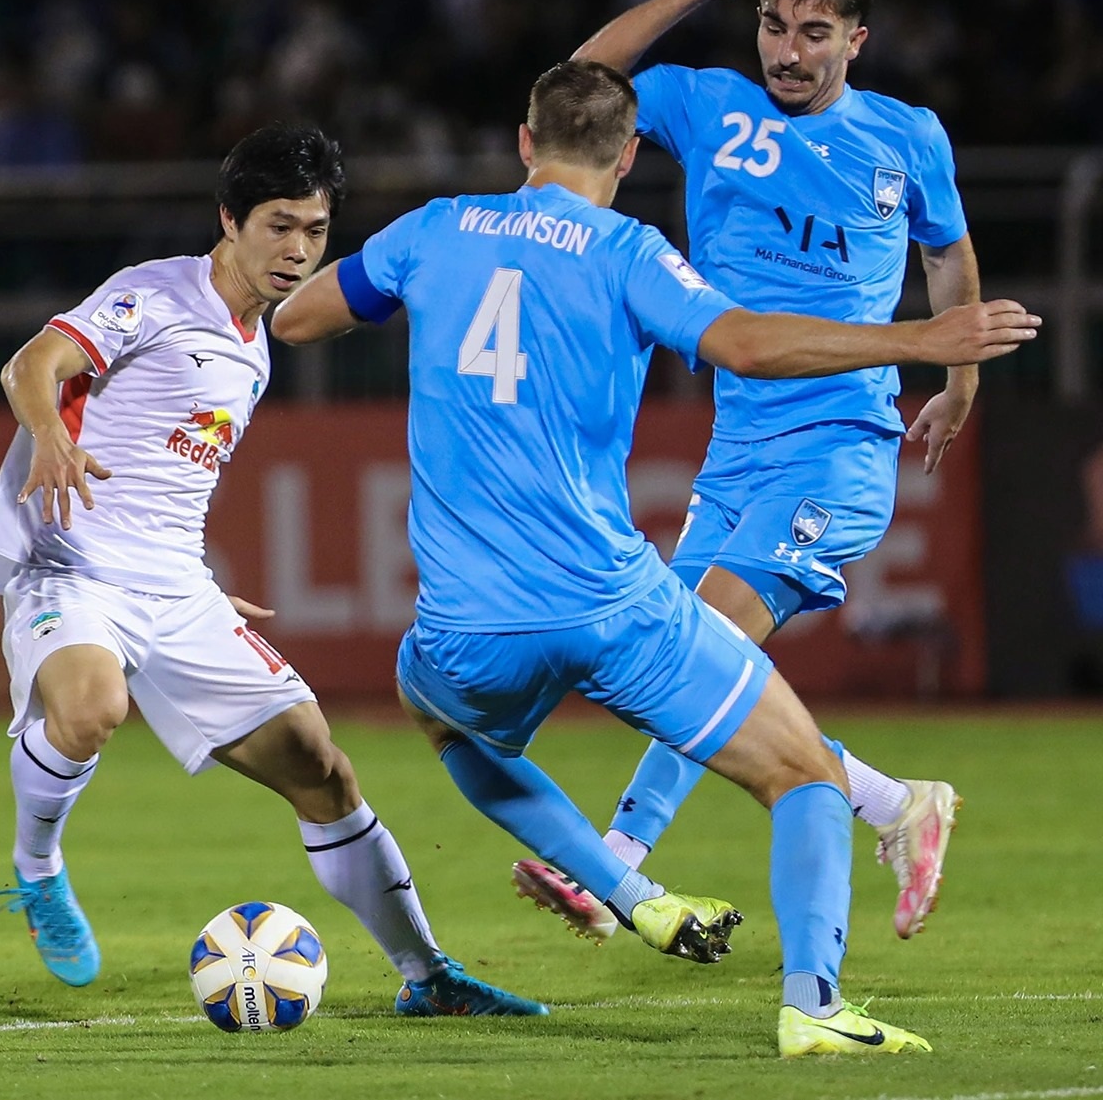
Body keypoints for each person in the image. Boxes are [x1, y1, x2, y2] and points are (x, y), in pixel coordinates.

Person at [270, 61, 1036, 1056]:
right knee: (800, 774)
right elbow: (749, 346)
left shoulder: (432, 229)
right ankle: (811, 1005)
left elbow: (293, 318)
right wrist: (915, 336)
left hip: (466, 627)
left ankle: (628, 888)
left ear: (521, 142)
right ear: (628, 156)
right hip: (612, 607)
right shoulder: (630, 251)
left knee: (446, 721)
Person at [0, 121, 544, 1020]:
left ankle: (429, 976)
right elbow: (32, 363)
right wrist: (49, 430)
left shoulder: (255, 348)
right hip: (72, 566)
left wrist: (194, 578)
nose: (297, 250)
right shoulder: (156, 294)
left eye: (316, 231)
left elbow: (173, 480)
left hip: (174, 588)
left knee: (323, 768)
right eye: (279, 225)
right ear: (229, 219)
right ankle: (37, 868)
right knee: (91, 708)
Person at [518, 0, 975, 943]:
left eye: (814, 31)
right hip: (736, 448)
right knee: (665, 671)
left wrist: (958, 377)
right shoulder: (706, 102)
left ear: (854, 40)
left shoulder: (906, 137)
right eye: (772, 25)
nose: (787, 49)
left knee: (702, 647)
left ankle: (611, 868)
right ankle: (891, 802)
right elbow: (580, 82)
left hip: (838, 444)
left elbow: (948, 262)